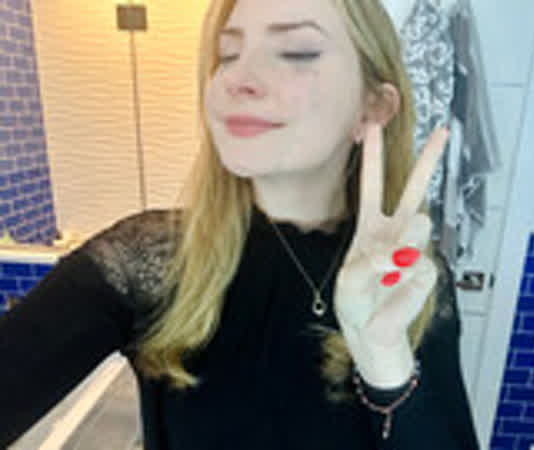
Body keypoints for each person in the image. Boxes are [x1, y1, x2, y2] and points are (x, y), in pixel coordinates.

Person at [0, 0, 480, 448]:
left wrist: (384, 358)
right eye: (227, 55)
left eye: (296, 51)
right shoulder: (149, 260)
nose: (238, 79)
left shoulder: (405, 275)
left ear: (373, 107)